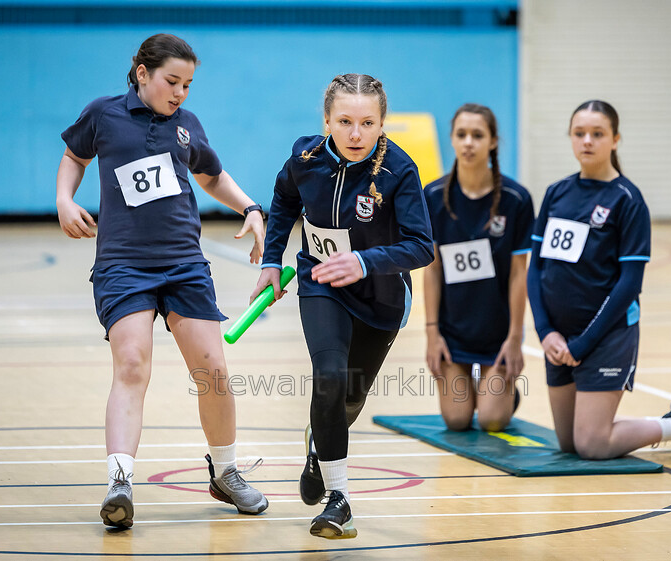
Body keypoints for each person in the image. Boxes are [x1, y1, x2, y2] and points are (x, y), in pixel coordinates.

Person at [56, 34, 269, 528]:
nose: (180, 93)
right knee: (132, 363)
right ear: (141, 73)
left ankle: (226, 472)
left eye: (188, 85)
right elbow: (74, 157)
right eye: (172, 81)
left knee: (213, 367)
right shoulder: (104, 115)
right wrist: (66, 199)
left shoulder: (187, 126)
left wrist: (251, 208)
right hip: (123, 265)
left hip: (184, 264)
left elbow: (211, 175)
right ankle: (120, 482)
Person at [253, 73, 434, 539]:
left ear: (381, 123)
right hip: (321, 282)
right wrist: (271, 260)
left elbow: (422, 247)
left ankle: (318, 449)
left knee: (347, 401)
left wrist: (364, 260)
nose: (356, 134)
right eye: (345, 122)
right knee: (330, 378)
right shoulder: (305, 156)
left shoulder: (400, 170)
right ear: (327, 120)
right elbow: (284, 199)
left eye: (367, 123)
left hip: (381, 298)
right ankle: (340, 500)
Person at [527, 100, 671, 460]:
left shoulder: (628, 200)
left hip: (605, 336)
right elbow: (537, 269)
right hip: (559, 338)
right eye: (579, 134)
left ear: (616, 139)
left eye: (598, 133)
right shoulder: (556, 193)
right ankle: (607, 419)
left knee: (592, 445)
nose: (587, 141)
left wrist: (583, 344)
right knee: (569, 443)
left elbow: (629, 285)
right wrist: (546, 332)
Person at [423, 104, 534, 432]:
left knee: (492, 420)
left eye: (478, 135)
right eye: (461, 135)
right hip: (453, 331)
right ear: (452, 140)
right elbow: (432, 270)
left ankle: (499, 396)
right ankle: (478, 391)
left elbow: (519, 274)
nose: (468, 142)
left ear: (493, 141)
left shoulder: (516, 199)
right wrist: (432, 334)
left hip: (496, 334)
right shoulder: (432, 196)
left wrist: (515, 338)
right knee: (456, 420)